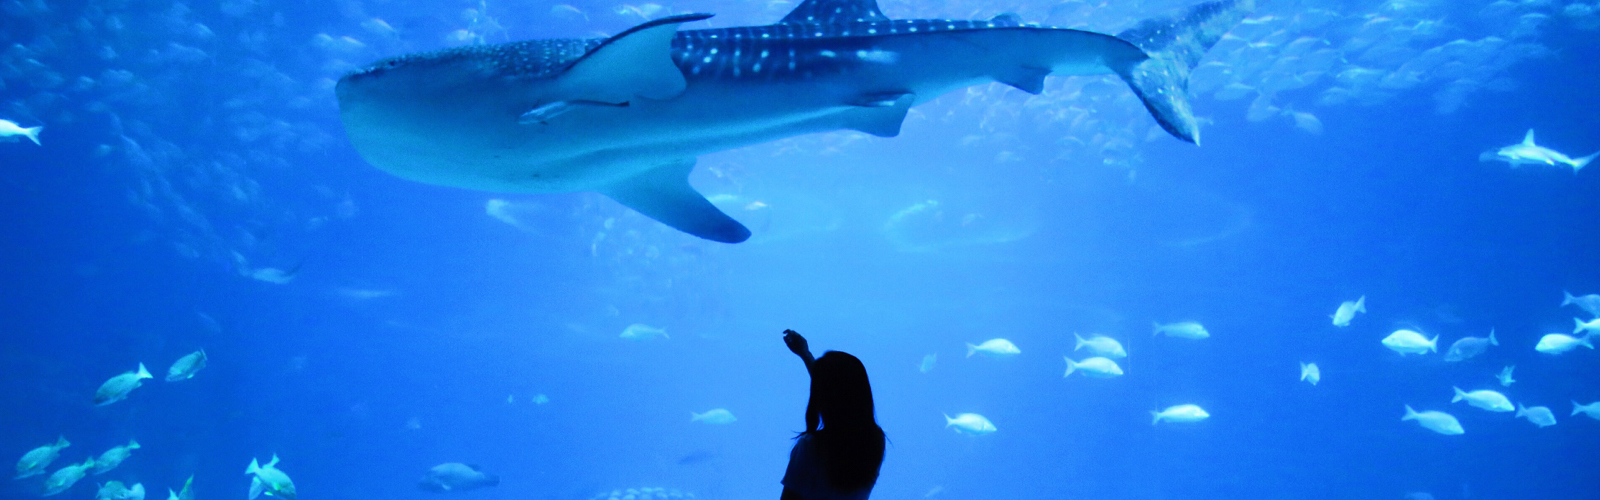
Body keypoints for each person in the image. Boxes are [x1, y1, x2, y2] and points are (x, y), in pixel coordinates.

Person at [780, 329, 886, 500]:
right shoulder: (875, 442)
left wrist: (806, 355)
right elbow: (839, 391)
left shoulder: (810, 448)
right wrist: (806, 355)